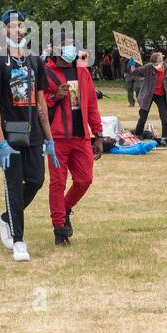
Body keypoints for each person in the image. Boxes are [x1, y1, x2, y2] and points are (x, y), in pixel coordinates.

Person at [0, 8, 59, 263]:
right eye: (13, 25)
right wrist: (0, 140)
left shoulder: (34, 60)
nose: (18, 29)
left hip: (34, 132)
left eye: (21, 25)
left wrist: (49, 138)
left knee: (37, 180)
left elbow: (41, 102)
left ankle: (5, 218)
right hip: (10, 131)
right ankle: (18, 240)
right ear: (4, 29)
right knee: (14, 185)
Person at [43, 38, 102, 247]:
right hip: (57, 138)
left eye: (72, 45)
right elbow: (39, 104)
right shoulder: (46, 73)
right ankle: (59, 229)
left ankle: (66, 207)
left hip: (81, 137)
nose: (70, 49)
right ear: (55, 51)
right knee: (57, 183)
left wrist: (98, 134)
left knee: (85, 179)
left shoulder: (83, 72)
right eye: (65, 45)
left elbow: (92, 105)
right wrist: (54, 97)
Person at [129, 51, 167, 139]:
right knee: (143, 116)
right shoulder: (148, 67)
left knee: (164, 116)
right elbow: (135, 72)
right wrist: (132, 65)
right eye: (153, 64)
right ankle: (138, 134)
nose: (155, 66)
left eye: (157, 64)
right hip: (148, 94)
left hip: (161, 95)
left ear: (162, 62)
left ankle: (165, 137)